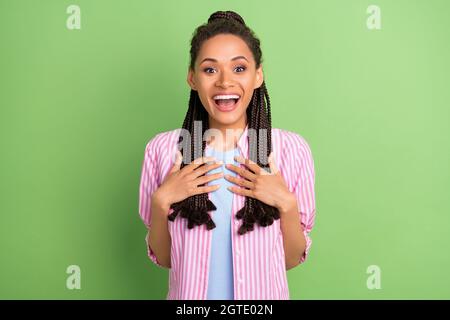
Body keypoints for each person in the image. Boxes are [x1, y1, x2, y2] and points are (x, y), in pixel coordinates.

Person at [138, 10, 316, 300]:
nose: (224, 82)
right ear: (192, 78)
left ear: (258, 75)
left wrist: (286, 203)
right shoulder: (164, 150)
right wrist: (161, 201)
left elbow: (290, 260)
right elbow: (167, 259)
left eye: (239, 68)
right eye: (210, 69)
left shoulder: (290, 151)